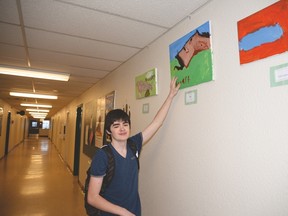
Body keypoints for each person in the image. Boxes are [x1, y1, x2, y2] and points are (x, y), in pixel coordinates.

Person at [87, 77, 180, 216]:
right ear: (108, 131)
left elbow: (156, 123)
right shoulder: (103, 156)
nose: (122, 129)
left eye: (125, 124)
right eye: (116, 126)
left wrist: (170, 96)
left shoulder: (133, 144)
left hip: (134, 212)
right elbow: (92, 198)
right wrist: (123, 212)